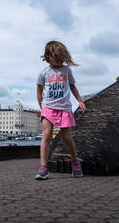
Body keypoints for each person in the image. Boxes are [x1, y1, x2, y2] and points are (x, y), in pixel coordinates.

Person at [35, 40, 86, 180]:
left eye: (61, 58)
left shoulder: (66, 70)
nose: (59, 61)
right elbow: (39, 90)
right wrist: (42, 107)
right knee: (46, 134)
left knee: (67, 138)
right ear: (47, 56)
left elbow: (72, 86)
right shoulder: (43, 72)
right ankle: (43, 167)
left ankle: (75, 162)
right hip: (48, 108)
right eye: (56, 58)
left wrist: (80, 101)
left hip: (64, 108)